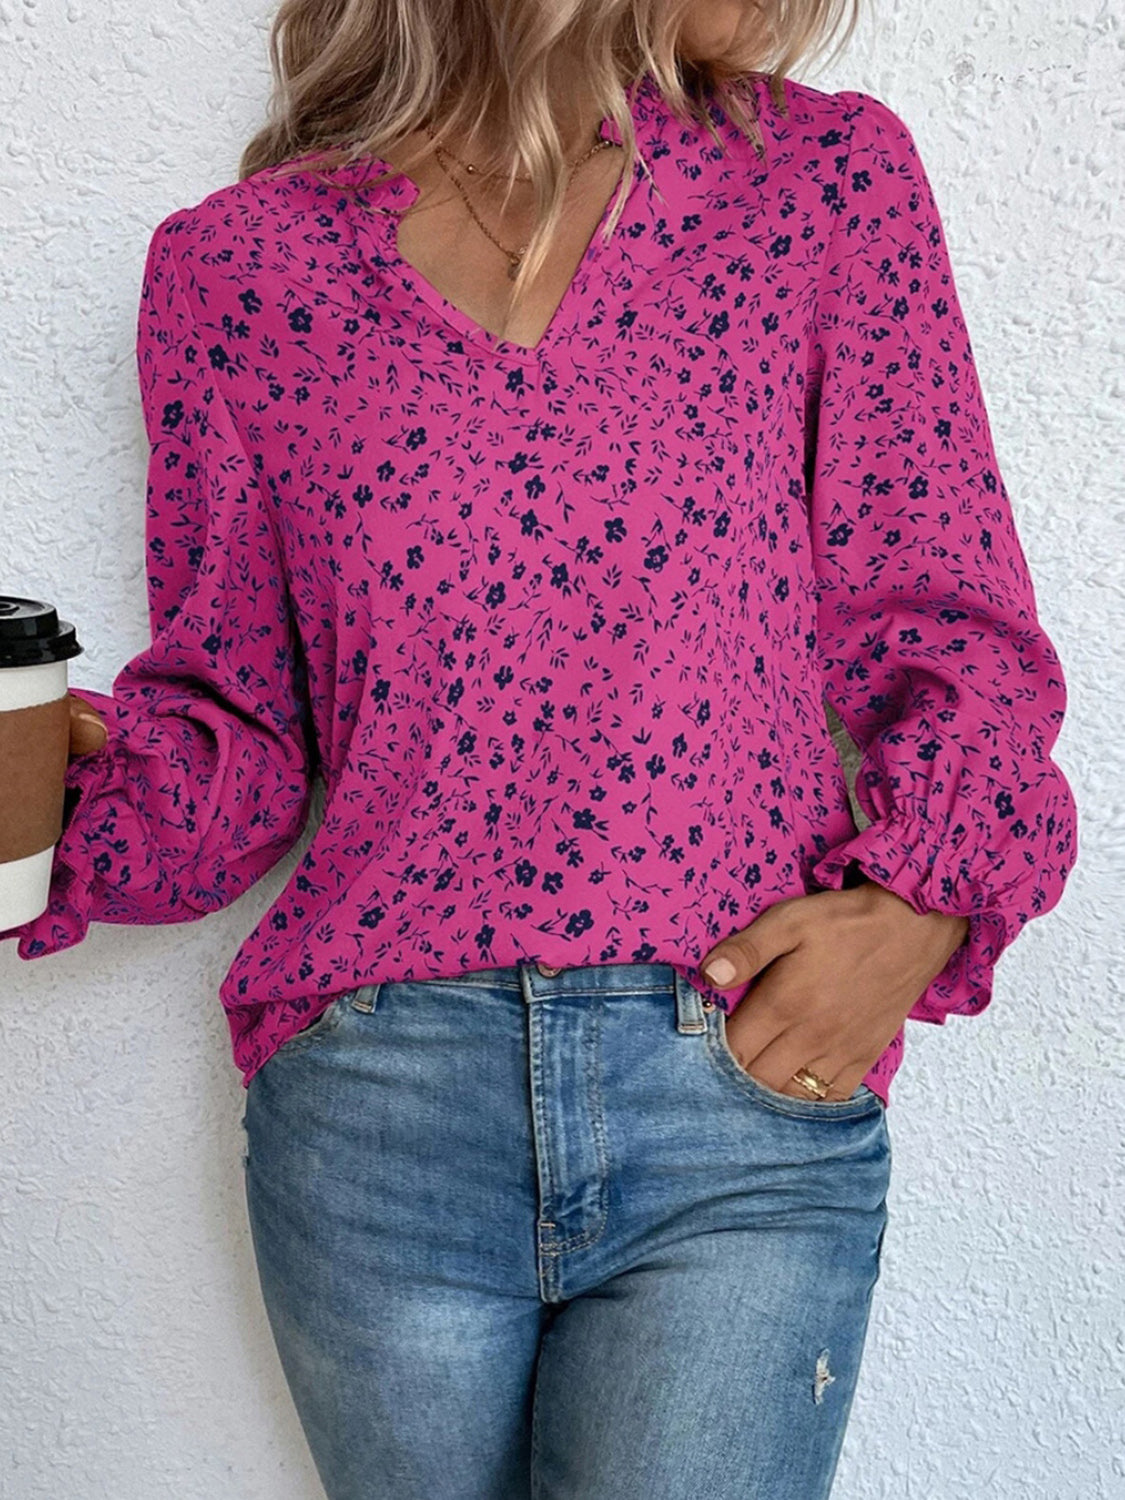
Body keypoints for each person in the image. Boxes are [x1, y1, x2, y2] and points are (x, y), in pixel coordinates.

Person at [3, 1, 1078, 1496]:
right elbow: (238, 730)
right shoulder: (240, 266)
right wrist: (47, 801)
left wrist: (920, 908)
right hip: (378, 1110)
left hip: (733, 1086)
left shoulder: (820, 183)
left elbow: (949, 619)